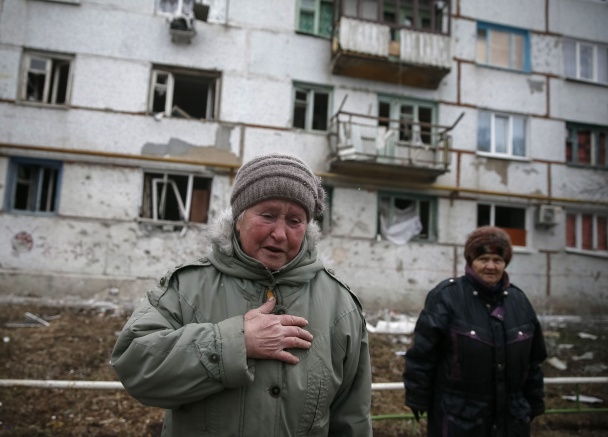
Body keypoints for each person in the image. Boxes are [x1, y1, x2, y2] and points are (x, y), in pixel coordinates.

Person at [111, 153, 372, 436]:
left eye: (294, 220)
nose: (280, 233)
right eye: (268, 216)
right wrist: (235, 343)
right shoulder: (186, 288)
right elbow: (135, 365)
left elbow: (353, 420)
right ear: (238, 219)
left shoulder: (341, 306)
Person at [403, 226, 547, 436]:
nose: (491, 266)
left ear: (505, 263)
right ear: (471, 261)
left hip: (511, 420)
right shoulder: (447, 297)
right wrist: (417, 397)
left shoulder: (519, 301)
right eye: (483, 259)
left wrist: (534, 401)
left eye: (497, 260)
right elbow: (422, 355)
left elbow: (533, 361)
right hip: (458, 419)